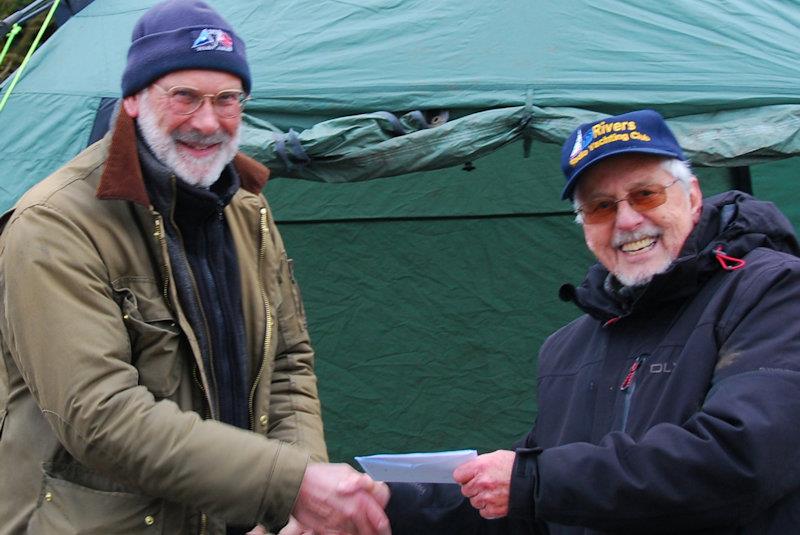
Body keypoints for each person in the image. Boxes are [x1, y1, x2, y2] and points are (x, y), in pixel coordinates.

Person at [0, 1, 389, 534]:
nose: (208, 122)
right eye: (184, 96)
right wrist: (288, 484)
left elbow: (288, 365)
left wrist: (293, 505)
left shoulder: (247, 211)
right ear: (133, 99)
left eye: (228, 100)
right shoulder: (55, 225)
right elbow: (98, 415)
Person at [385, 109, 800, 534]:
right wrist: (384, 504)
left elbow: (742, 460)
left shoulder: (772, 290)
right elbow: (529, 506)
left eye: (646, 195)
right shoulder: (568, 348)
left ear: (692, 196)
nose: (627, 220)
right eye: (601, 207)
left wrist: (531, 480)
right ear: (584, 226)